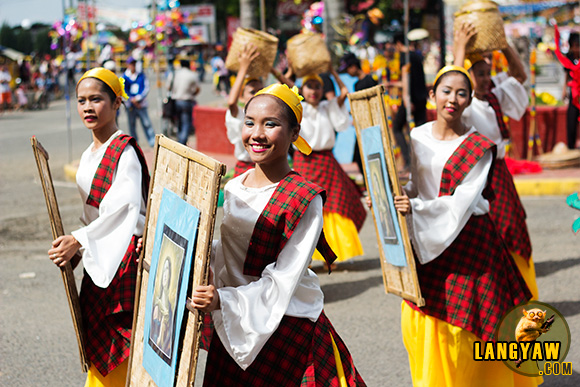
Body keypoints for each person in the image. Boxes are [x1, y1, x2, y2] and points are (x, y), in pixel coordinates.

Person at [189, 83, 366, 386]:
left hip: (286, 328)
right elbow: (233, 250)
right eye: (250, 122)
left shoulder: (305, 198)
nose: (257, 133)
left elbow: (283, 278)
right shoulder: (234, 185)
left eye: (271, 124)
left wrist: (223, 300)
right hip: (235, 323)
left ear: (295, 132)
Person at [394, 66, 535, 386]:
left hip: (469, 240)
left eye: (461, 93)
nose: (453, 99)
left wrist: (413, 208)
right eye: (446, 91)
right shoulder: (417, 136)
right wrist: (394, 199)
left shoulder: (480, 147)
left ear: (470, 100)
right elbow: (417, 185)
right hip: (427, 236)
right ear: (432, 95)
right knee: (430, 323)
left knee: (470, 330)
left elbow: (461, 202)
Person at [47, 67, 150, 386]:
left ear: (117, 102)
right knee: (100, 347)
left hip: (123, 260)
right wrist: (81, 243)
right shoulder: (91, 153)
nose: (88, 107)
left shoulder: (126, 151)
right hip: (99, 255)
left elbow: (126, 211)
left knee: (119, 346)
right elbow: (95, 214)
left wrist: (78, 240)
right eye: (82, 100)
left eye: (97, 99)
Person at [454, 23, 539, 300]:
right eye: (480, 74)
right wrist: (459, 48)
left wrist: (503, 45)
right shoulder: (462, 104)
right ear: (467, 77)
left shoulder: (493, 94)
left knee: (513, 227)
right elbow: (454, 84)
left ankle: (519, 291)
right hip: (476, 174)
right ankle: (499, 292)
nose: (486, 79)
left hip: (499, 172)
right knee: (488, 233)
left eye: (487, 73)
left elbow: (519, 75)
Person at [292, 67, 367, 267]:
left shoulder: (328, 107)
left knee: (334, 207)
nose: (314, 91)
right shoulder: (297, 107)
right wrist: (289, 70)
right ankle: (304, 258)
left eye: (318, 86)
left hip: (326, 162)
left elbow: (344, 93)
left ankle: (328, 256)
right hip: (303, 162)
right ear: (302, 89)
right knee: (303, 211)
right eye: (309, 86)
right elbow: (285, 85)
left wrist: (332, 71)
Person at [385, 32, 428, 170]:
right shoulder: (416, 55)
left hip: (411, 99)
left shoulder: (405, 57)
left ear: (398, 44)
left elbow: (406, 79)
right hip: (422, 98)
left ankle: (409, 160)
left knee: (397, 128)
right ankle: (422, 159)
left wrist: (406, 99)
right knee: (421, 130)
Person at [338, 51, 379, 175]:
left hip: (371, 125)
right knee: (359, 156)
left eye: (348, 69)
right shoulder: (358, 84)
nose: (348, 73)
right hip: (362, 125)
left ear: (354, 67)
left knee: (367, 155)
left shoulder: (369, 81)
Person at [225, 43, 263, 177]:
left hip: (265, 168)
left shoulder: (269, 114)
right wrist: (243, 68)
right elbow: (231, 102)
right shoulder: (240, 115)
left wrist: (272, 70)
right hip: (245, 169)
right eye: (252, 91)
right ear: (241, 96)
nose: (257, 94)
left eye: (261, 91)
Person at [122, 56, 156, 147]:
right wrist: (131, 100)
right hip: (131, 105)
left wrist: (138, 99)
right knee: (132, 125)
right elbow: (124, 91)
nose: (133, 66)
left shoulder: (141, 75)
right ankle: (135, 144)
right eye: (131, 64)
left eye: (134, 64)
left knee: (146, 123)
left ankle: (152, 142)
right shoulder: (125, 77)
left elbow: (146, 88)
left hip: (141, 104)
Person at [170, 59, 200, 145]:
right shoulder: (192, 75)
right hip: (187, 101)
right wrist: (192, 93)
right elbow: (197, 89)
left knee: (178, 122)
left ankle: (180, 140)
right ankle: (182, 143)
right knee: (186, 123)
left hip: (176, 101)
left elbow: (169, 87)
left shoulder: (175, 74)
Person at [563, 32, 580, 149]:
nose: (575, 49)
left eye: (577, 46)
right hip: (574, 95)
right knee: (571, 121)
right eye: (573, 46)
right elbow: (566, 75)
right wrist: (564, 89)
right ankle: (571, 148)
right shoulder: (569, 57)